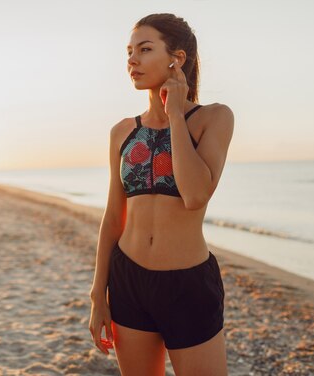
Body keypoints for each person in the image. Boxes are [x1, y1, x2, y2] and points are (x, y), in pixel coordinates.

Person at [88, 13, 234, 375]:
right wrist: (97, 295)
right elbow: (112, 217)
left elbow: (196, 194)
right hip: (128, 281)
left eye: (145, 49)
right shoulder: (122, 132)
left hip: (187, 283)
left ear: (177, 58)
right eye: (129, 51)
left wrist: (174, 115)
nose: (132, 60)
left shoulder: (213, 119)